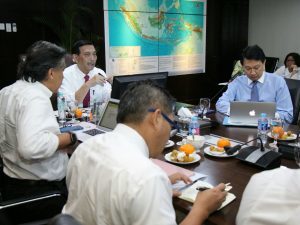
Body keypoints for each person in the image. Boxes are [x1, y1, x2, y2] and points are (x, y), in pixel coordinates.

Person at [63, 80, 227, 225]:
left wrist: (157, 192)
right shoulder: (148, 178)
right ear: (156, 118)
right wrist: (201, 210)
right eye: (171, 124)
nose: (170, 131)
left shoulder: (85, 148)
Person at [0, 41, 75, 218]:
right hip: (40, 194)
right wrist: (67, 139)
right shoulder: (35, 99)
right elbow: (30, 147)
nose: (63, 76)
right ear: (51, 72)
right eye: (62, 71)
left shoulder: (7, 91)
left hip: (12, 182)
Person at [216, 45, 293, 123]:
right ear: (242, 66)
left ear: (264, 63)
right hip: (240, 128)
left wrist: (264, 117)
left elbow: (287, 115)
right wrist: (239, 112)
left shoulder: (278, 82)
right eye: (248, 68)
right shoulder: (238, 82)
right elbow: (221, 103)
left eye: (256, 68)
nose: (252, 72)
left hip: (269, 129)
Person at [59, 40, 112, 107]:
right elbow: (65, 104)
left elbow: (109, 99)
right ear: (75, 58)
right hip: (74, 116)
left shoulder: (99, 72)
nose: (92, 59)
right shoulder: (66, 75)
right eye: (87, 54)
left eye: (94, 54)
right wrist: (89, 84)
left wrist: (115, 86)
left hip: (96, 115)